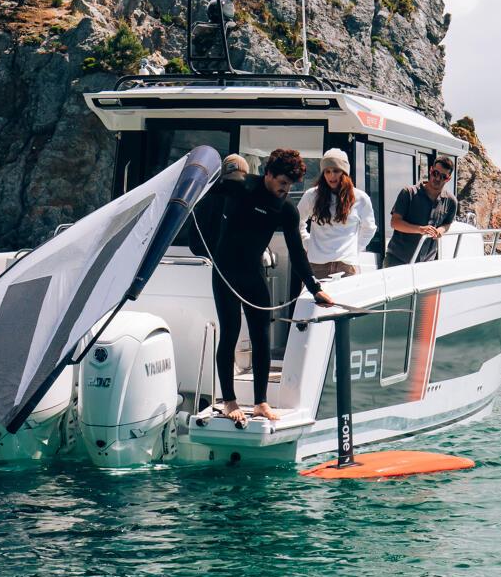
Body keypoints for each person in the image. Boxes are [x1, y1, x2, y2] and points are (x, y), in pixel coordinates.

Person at [195, 148, 335, 427]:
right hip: (225, 272)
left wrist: (315, 287)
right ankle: (229, 401)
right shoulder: (240, 187)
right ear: (269, 174)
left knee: (262, 338)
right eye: (283, 183)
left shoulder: (285, 210)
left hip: (253, 273)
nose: (286, 189)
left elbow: (297, 254)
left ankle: (260, 403)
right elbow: (204, 201)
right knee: (231, 332)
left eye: (291, 186)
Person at [297, 147, 376, 280]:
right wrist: (307, 243)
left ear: (345, 173)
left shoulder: (360, 198)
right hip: (316, 264)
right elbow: (296, 221)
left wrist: (354, 249)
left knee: (346, 301)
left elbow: (369, 228)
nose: (331, 176)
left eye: (336, 171)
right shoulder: (312, 195)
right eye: (327, 171)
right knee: (314, 300)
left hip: (346, 266)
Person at [384, 154, 458, 266]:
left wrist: (440, 231)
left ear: (448, 179)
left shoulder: (451, 201)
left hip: (427, 264)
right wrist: (420, 229)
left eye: (443, 176)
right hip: (397, 261)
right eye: (435, 173)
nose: (437, 178)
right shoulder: (408, 193)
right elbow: (395, 223)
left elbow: (447, 223)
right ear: (430, 170)